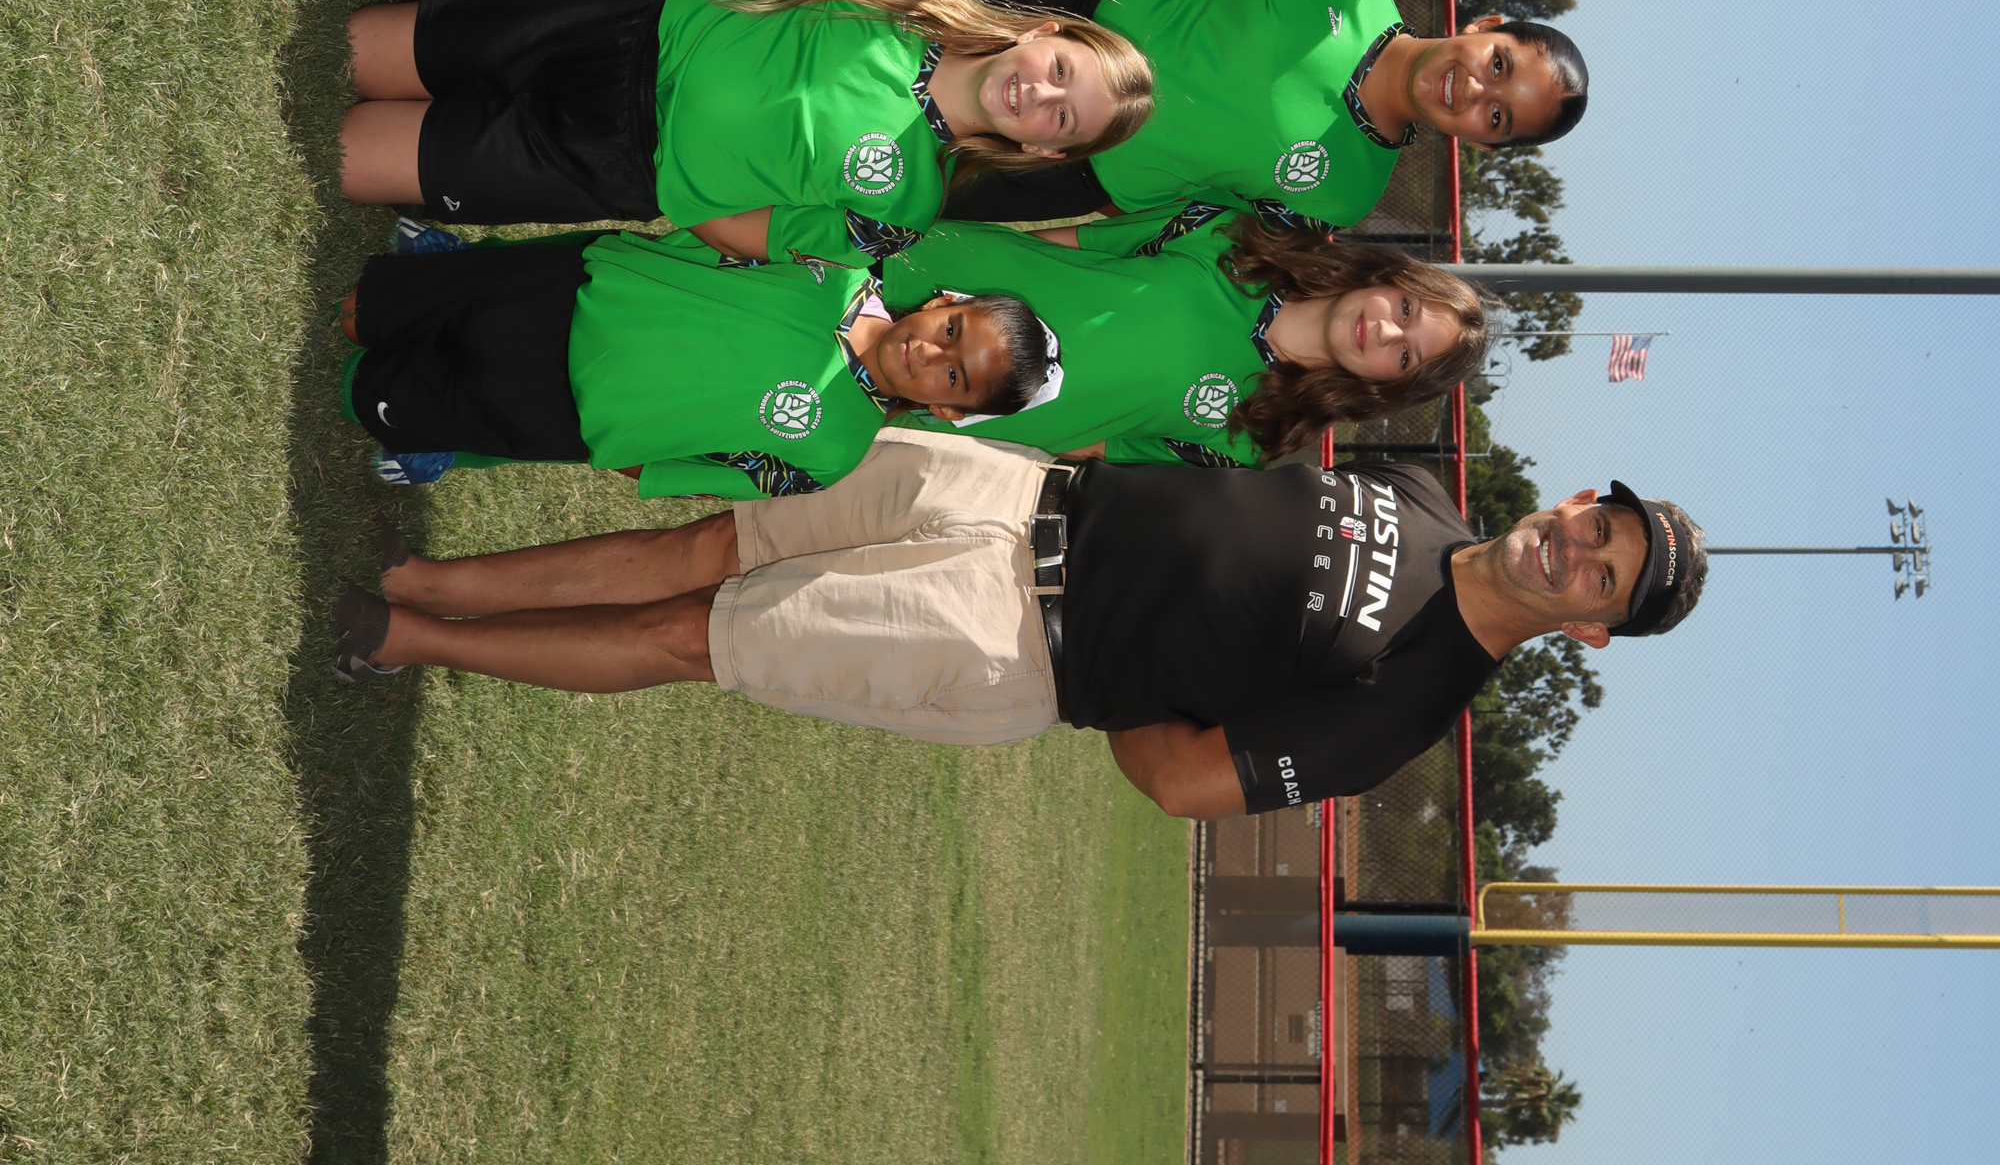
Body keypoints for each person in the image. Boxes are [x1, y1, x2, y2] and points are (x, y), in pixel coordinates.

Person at [330, 450, 1704, 821]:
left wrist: (1107, 650)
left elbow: (1179, 779)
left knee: (699, 634)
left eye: (1602, 577)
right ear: (1576, 500)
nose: (1574, 548)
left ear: (1588, 633)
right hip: (1012, 489)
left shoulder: (1406, 705)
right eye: (1599, 523)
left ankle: (403, 638)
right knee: (706, 546)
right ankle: (427, 575)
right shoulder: (1418, 493)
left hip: (1005, 635)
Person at [354, 206, 1490, 491]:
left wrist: (986, 433)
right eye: (1403, 310)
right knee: (683, 276)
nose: (1385, 332)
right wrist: (952, 267)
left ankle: (465, 443)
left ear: (1381, 387)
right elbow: (1078, 233)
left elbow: (1098, 455)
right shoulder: (1237, 243)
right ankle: (465, 262)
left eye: (1404, 355)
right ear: (1381, 278)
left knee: (698, 403)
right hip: (950, 286)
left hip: (966, 382)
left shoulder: (1254, 434)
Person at [771, 0, 1587, 227]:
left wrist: (1087, 203)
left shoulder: (1343, 197)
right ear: (1485, 26)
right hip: (1059, 11)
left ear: (1483, 143)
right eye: (1498, 63)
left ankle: (746, 190)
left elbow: (1189, 221)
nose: (1474, 89)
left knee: (864, 177)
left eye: (1497, 114)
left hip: (1062, 167)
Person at [338, 0, 1154, 239]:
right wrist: (683, 4)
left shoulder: (908, 201)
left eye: (1062, 119)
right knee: (359, 53)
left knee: (349, 157)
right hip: (621, 34)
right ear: (1044, 32)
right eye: (1060, 71)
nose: (1040, 95)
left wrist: (682, 192)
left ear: (1044, 149)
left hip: (616, 163)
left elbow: (768, 232)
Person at [337, 225, 1054, 497]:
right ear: (947, 299)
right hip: (574, 293)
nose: (928, 350)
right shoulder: (833, 260)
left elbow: (683, 468)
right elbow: (716, 238)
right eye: (951, 329)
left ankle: (441, 441)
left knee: (362, 396)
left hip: (564, 408)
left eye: (952, 375)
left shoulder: (834, 454)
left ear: (946, 410)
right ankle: (454, 263)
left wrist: (612, 435)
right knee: (362, 308)